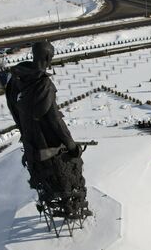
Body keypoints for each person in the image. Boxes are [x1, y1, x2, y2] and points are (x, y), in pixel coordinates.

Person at [6, 41, 90, 218]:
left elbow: (15, 111)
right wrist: (72, 145)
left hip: (31, 146)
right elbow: (55, 121)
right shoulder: (43, 85)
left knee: (47, 182)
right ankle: (72, 207)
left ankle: (61, 204)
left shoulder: (16, 80)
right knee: (71, 170)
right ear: (47, 57)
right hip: (49, 148)